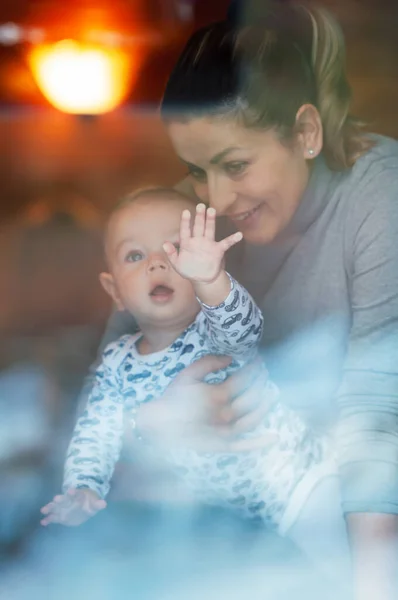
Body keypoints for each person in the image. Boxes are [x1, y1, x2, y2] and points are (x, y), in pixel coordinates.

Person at [57, 2, 398, 598]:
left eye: (236, 165)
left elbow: (377, 411)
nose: (216, 196)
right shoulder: (191, 219)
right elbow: (120, 363)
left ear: (307, 132)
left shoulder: (381, 196)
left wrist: (372, 586)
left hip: (343, 499)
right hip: (234, 510)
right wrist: (165, 414)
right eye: (197, 170)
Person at [40, 187, 349, 576]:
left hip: (297, 485)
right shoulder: (116, 365)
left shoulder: (215, 329)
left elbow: (244, 328)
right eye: (135, 255)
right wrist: (83, 487)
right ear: (115, 290)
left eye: (175, 250)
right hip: (226, 516)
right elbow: (95, 432)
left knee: (341, 573)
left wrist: (212, 280)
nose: (156, 264)